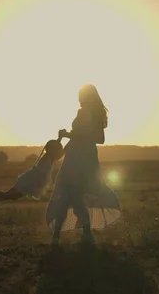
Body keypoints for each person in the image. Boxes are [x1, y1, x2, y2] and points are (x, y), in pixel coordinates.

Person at [46, 84, 122, 246]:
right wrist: (63, 151)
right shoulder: (96, 114)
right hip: (84, 157)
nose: (78, 99)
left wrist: (67, 135)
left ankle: (62, 236)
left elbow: (91, 138)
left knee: (68, 194)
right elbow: (92, 138)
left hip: (79, 159)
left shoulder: (85, 113)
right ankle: (82, 234)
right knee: (73, 194)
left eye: (80, 95)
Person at [0, 139, 64, 212]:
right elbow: (58, 153)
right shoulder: (47, 156)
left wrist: (61, 138)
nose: (58, 151)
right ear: (51, 149)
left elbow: (58, 152)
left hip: (32, 180)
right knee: (9, 194)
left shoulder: (50, 157)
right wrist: (64, 140)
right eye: (56, 149)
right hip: (30, 181)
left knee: (13, 196)